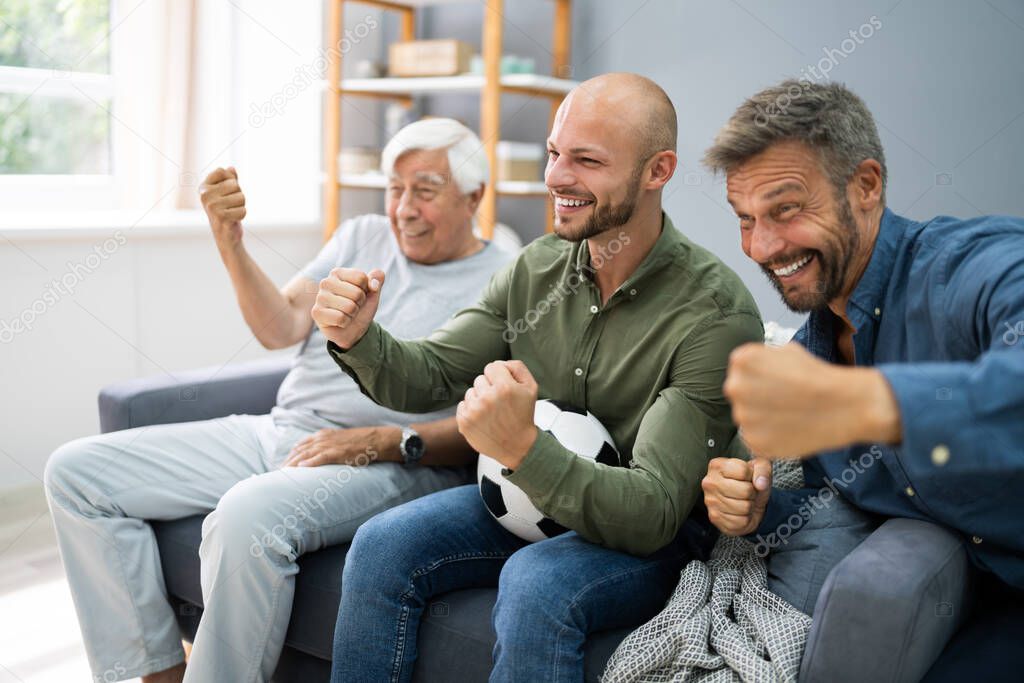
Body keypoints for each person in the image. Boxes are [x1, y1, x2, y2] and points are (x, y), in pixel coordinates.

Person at [313, 73, 763, 682]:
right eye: (555, 153)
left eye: (587, 160)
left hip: (655, 538)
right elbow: (429, 377)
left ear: (657, 171)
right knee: (381, 544)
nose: (555, 177)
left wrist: (522, 449)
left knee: (535, 581)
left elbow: (654, 511)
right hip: (528, 502)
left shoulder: (715, 313)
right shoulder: (538, 267)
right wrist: (359, 337)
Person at [42, 118, 515, 683]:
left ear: (474, 197)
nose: (404, 208)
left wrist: (383, 441)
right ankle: (157, 674)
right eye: (394, 188)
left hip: (390, 462)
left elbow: (497, 420)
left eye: (426, 190)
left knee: (244, 516)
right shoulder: (362, 234)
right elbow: (281, 324)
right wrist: (231, 244)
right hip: (285, 429)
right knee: (76, 473)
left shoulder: (507, 279)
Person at [700, 79, 1024, 680]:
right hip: (978, 603)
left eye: (787, 209)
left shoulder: (967, 269)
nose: (762, 246)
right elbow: (844, 500)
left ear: (867, 185)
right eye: (745, 219)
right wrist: (756, 508)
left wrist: (869, 403)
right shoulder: (815, 352)